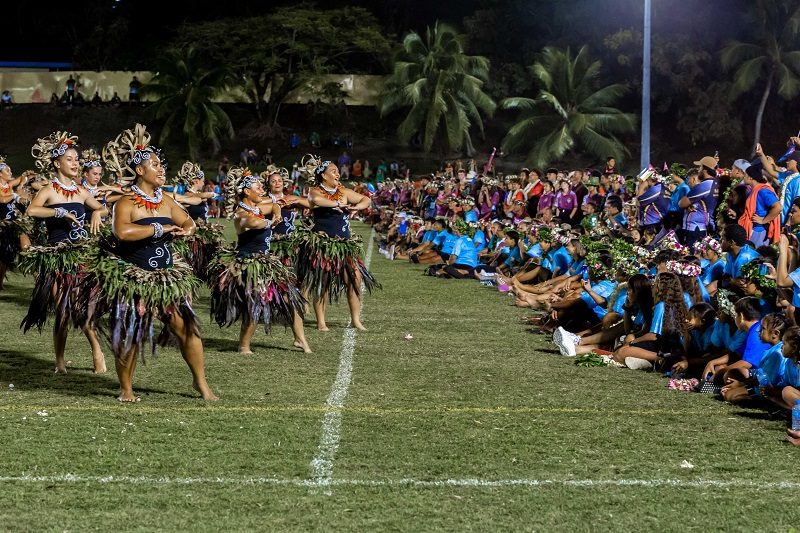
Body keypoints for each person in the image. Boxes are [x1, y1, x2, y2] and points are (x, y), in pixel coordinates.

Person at [88, 123, 217, 401]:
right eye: (155, 165)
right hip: (135, 277)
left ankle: (201, 384)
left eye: (161, 165)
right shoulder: (126, 202)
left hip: (166, 277)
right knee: (131, 334)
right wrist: (160, 229)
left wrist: (187, 228)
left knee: (189, 330)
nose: (161, 169)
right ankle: (126, 389)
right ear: (140, 170)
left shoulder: (166, 200)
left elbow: (187, 219)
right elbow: (122, 232)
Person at [20, 131, 108, 374]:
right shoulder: (49, 190)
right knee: (63, 309)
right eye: (69, 159)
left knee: (86, 308)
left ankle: (96, 350)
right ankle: (59, 360)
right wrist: (59, 213)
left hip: (82, 258)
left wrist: (98, 213)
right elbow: (32, 212)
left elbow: (101, 208)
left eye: (76, 159)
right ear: (57, 163)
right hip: (58, 257)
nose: (75, 163)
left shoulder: (81, 191)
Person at [209, 166, 310, 354]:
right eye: (258, 188)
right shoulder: (241, 213)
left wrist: (278, 213)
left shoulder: (256, 207)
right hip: (249, 263)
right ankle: (244, 345)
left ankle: (300, 340)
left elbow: (274, 205)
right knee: (254, 305)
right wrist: (270, 222)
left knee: (291, 298)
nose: (262, 191)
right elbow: (252, 222)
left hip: (267, 261)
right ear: (248, 192)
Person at [296, 154, 378, 331]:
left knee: (355, 280)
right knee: (322, 282)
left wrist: (357, 207)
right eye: (333, 171)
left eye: (337, 171)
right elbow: (316, 201)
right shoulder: (315, 191)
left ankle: (356, 320)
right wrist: (337, 204)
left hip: (345, 245)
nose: (337, 173)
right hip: (324, 245)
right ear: (323, 175)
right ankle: (321, 322)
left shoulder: (344, 191)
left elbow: (366, 199)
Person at [172, 162, 225, 280]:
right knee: (192, 265)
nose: (203, 183)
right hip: (192, 236)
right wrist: (213, 194)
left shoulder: (198, 195)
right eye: (202, 180)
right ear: (196, 181)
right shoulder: (188, 195)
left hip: (202, 235)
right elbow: (203, 196)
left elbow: (203, 196)